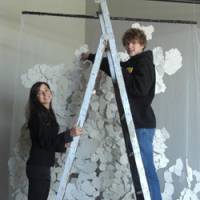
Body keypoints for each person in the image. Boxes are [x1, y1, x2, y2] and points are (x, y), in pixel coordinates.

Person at [81, 28, 162, 200]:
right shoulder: (133, 64)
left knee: (146, 168)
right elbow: (112, 67)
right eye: (127, 43)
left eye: (134, 43)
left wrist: (123, 72)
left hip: (142, 123)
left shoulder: (144, 62)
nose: (130, 46)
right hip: (136, 122)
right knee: (140, 169)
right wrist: (91, 57)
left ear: (141, 44)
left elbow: (140, 89)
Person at [26, 81, 82, 200]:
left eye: (46, 90)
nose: (45, 93)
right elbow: (46, 141)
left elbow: (47, 142)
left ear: (51, 92)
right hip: (38, 167)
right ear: (36, 98)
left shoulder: (47, 114)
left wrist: (63, 144)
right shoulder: (37, 115)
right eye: (40, 93)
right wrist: (68, 134)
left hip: (42, 166)